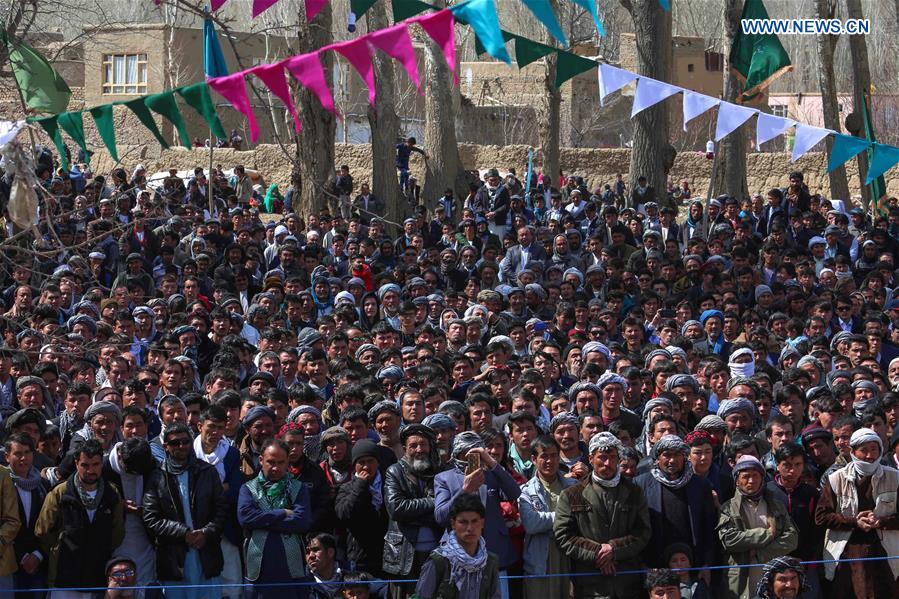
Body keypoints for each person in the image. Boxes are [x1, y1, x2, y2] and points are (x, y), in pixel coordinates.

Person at [554, 432, 651, 598]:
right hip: (590, 585)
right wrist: (598, 552)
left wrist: (614, 549)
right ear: (591, 459)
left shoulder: (634, 492)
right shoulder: (571, 494)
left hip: (628, 583)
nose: (607, 463)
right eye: (602, 457)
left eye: (612, 457)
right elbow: (564, 535)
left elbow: (643, 532)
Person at [142, 423, 227, 599]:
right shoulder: (157, 476)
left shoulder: (207, 471)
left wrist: (206, 532)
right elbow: (151, 518)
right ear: (165, 447)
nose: (181, 446)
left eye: (185, 441)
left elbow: (221, 510)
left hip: (206, 552)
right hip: (174, 558)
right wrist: (184, 533)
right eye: (175, 443)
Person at [434, 432, 521, 596]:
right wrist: (465, 490)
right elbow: (441, 516)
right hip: (459, 559)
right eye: (466, 453)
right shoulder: (444, 478)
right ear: (458, 453)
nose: (471, 457)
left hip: (494, 555)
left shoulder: (491, 474)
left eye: (476, 452)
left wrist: (491, 463)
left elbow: (515, 493)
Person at [815, 427, 899, 598]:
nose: (870, 456)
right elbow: (821, 517)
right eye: (864, 450)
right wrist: (854, 522)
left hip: (886, 552)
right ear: (852, 451)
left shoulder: (895, 477)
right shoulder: (836, 479)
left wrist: (882, 521)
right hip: (848, 552)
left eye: (874, 449)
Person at [35, 439, 124, 595]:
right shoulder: (60, 493)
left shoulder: (112, 493)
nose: (91, 470)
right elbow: (44, 531)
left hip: (98, 576)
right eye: (85, 465)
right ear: (76, 464)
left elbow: (117, 533)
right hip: (64, 578)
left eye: (95, 465)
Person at [238, 438, 312, 599]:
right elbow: (246, 518)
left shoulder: (298, 488)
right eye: (271, 462)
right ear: (261, 460)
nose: (275, 467)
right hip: (258, 566)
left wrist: (262, 521)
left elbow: (302, 522)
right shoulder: (248, 488)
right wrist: (282, 513)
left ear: (287, 463)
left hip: (290, 569)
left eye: (281, 462)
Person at [717, 455, 799, 599]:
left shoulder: (776, 505)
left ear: (762, 478)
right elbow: (729, 540)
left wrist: (761, 553)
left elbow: (792, 538)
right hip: (740, 581)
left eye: (755, 475)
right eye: (746, 476)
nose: (751, 481)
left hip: (773, 577)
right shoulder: (728, 508)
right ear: (737, 480)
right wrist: (767, 534)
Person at [634, 435, 717, 575]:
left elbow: (709, 528)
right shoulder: (640, 484)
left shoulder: (700, 485)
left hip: (693, 566)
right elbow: (636, 527)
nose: (672, 460)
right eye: (666, 455)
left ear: (684, 457)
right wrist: (643, 564)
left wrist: (706, 564)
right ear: (658, 458)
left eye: (677, 455)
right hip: (655, 566)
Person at [383, 423, 444, 599]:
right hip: (403, 554)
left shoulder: (439, 472)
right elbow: (396, 508)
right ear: (404, 449)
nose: (419, 449)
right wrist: (431, 503)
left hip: (436, 552)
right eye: (413, 445)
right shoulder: (394, 471)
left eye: (423, 444)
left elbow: (444, 510)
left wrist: (413, 514)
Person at [518, 435, 576, 599]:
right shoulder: (526, 491)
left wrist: (547, 519)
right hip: (540, 558)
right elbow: (531, 523)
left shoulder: (573, 487)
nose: (549, 461)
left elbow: (580, 519)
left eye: (553, 456)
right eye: (544, 456)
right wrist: (564, 516)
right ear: (534, 459)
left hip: (568, 555)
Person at [415, 493, 500, 599]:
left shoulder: (490, 562)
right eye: (463, 522)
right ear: (453, 524)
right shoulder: (439, 562)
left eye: (474, 521)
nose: (470, 528)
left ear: (482, 523)